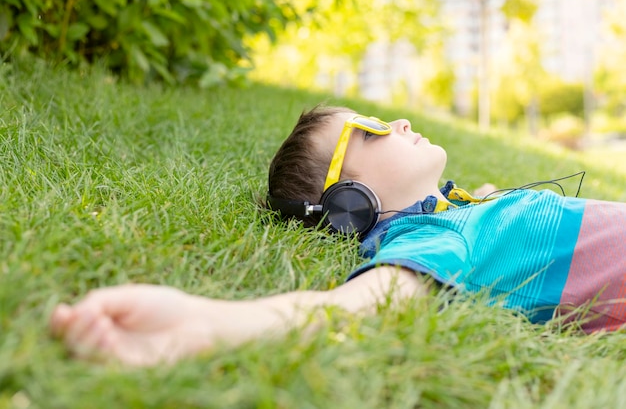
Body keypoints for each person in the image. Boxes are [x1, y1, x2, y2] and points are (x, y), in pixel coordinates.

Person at [50, 105, 626, 367]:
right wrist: (198, 323)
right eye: (371, 132)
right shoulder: (429, 237)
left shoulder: (453, 211)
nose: (397, 122)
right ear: (350, 203)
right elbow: (351, 310)